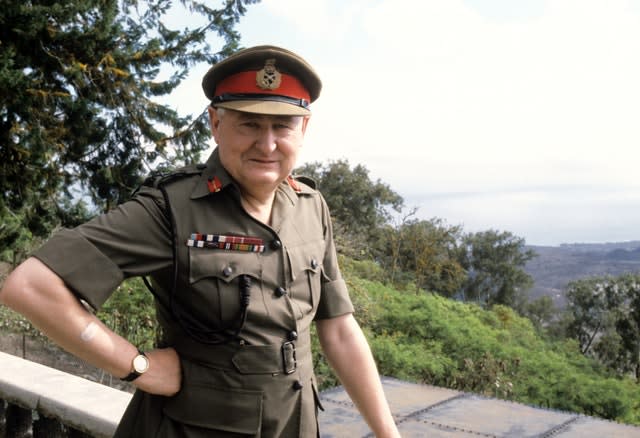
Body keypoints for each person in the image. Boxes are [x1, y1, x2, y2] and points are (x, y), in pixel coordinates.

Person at [0, 45, 400, 437]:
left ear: (304, 128)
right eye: (248, 123)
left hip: (295, 423)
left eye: (282, 125)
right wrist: (138, 366)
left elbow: (340, 330)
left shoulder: (311, 209)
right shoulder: (172, 209)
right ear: (215, 123)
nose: (267, 144)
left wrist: (387, 433)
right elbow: (31, 286)